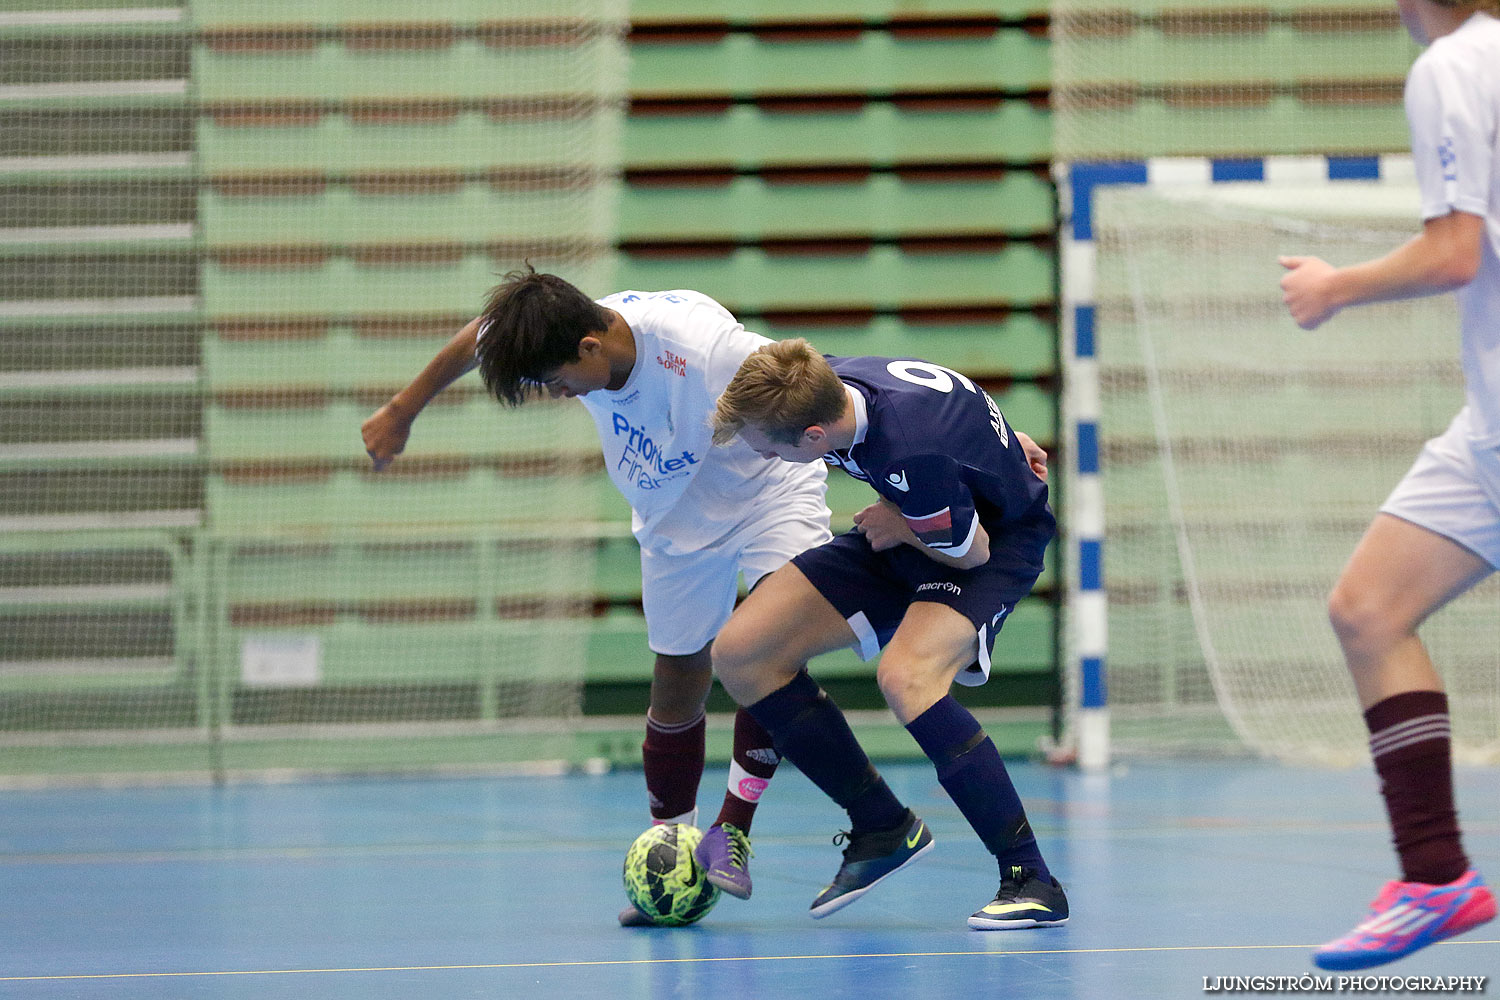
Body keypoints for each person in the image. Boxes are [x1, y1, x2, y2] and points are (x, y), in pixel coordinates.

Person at [361, 268, 833, 925]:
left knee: (766, 647)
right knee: (676, 679)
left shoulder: (702, 346)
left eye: (556, 383)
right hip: (674, 516)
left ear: (590, 347)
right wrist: (402, 408)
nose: (557, 396)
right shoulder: (556, 325)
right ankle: (671, 857)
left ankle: (733, 834)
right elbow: (481, 335)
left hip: (765, 493)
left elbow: (817, 379)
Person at [1278, 0, 1499, 969]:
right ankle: (1435, 876)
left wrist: (1333, 287)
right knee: (1368, 608)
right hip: (1487, 423)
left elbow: (1456, 253)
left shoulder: (1452, 68)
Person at [706, 338, 1065, 929]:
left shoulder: (909, 451)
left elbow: (970, 554)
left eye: (768, 448)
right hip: (924, 515)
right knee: (742, 653)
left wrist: (903, 521)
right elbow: (955, 413)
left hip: (986, 542)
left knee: (907, 676)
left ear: (815, 438)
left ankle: (1031, 877)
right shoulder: (826, 380)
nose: (762, 455)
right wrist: (999, 451)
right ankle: (881, 825)